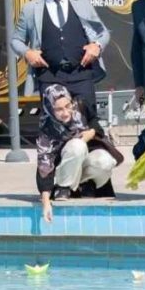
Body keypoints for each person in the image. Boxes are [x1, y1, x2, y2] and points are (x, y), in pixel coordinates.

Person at [11, 0, 110, 117]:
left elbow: (103, 33)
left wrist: (96, 46)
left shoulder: (82, 3)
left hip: (81, 74)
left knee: (88, 124)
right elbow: (15, 40)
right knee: (55, 127)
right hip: (49, 76)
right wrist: (27, 53)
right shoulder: (31, 9)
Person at [35, 85, 123, 222]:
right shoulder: (46, 127)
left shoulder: (80, 105)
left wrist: (92, 132)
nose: (65, 112)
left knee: (105, 161)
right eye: (58, 109)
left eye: (67, 106)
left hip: (83, 161)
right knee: (77, 145)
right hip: (63, 170)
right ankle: (63, 187)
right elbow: (44, 164)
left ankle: (87, 184)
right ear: (50, 109)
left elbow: (95, 122)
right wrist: (46, 202)